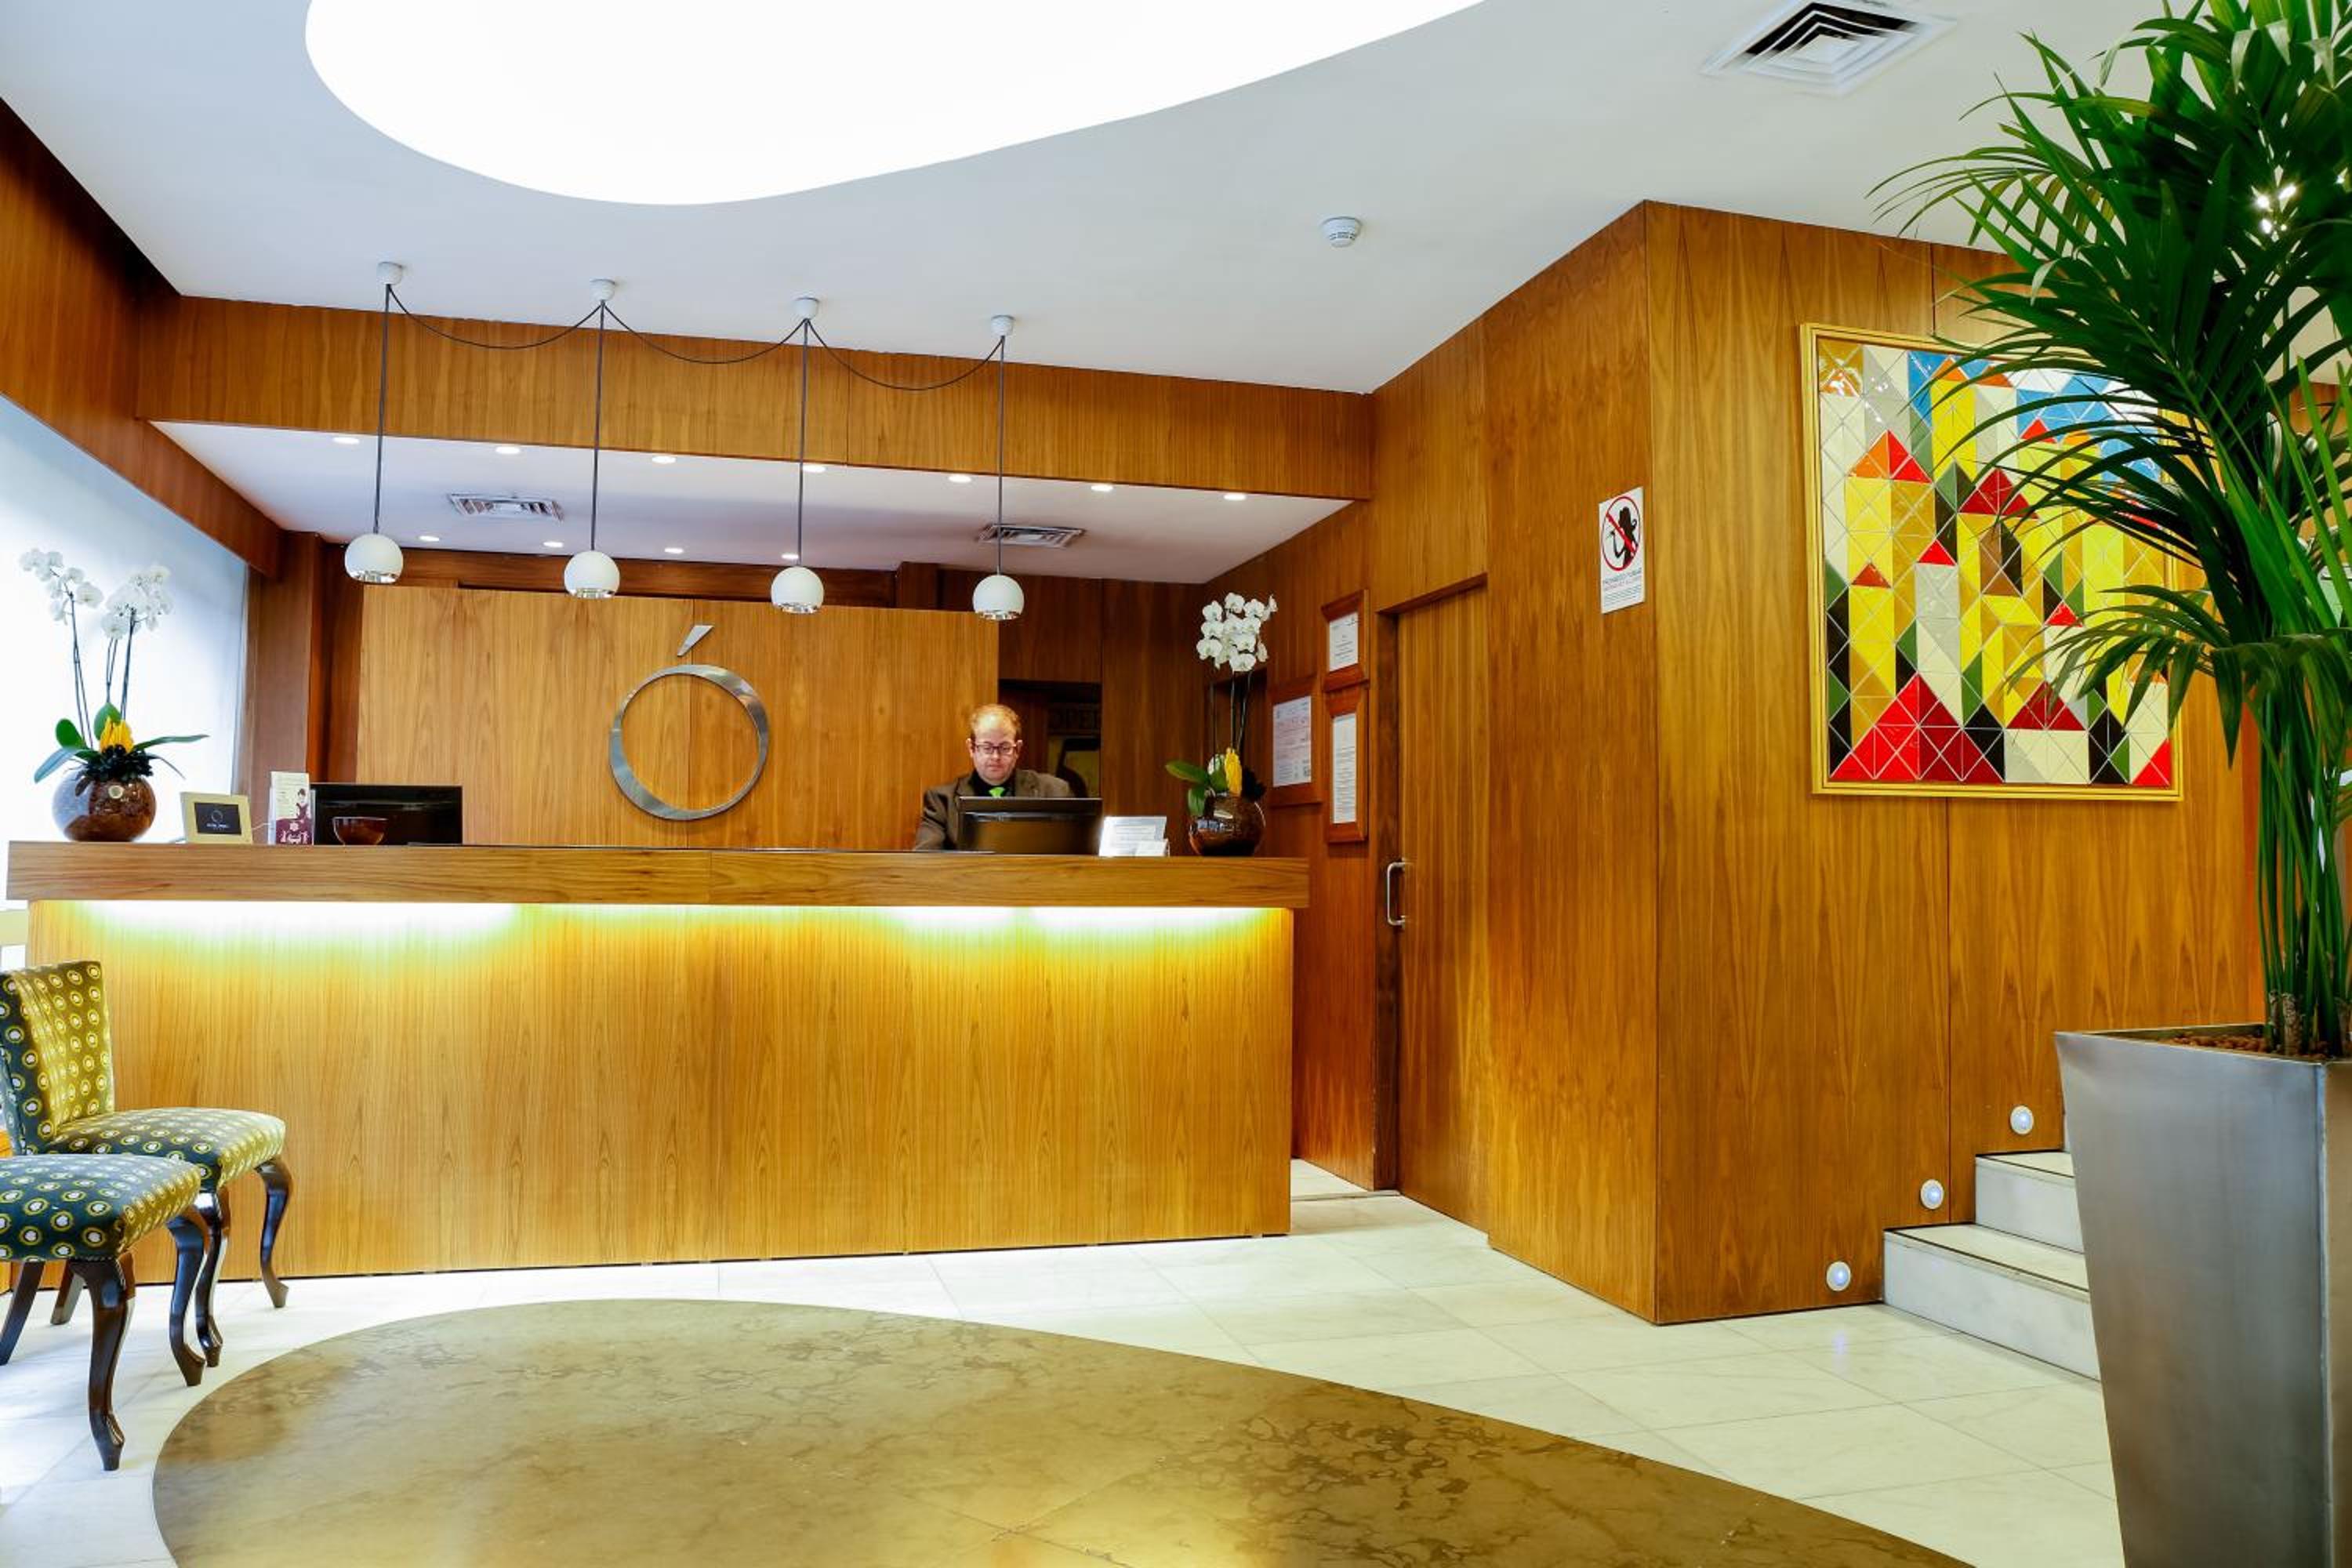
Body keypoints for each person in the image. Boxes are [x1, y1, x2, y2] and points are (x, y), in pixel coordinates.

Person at [913, 703, 1072, 851]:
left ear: (1017, 749)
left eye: (1004, 747)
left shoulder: (1054, 792)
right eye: (987, 747)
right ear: (971, 748)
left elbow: (1074, 854)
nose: (995, 757)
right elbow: (926, 860)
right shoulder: (942, 801)